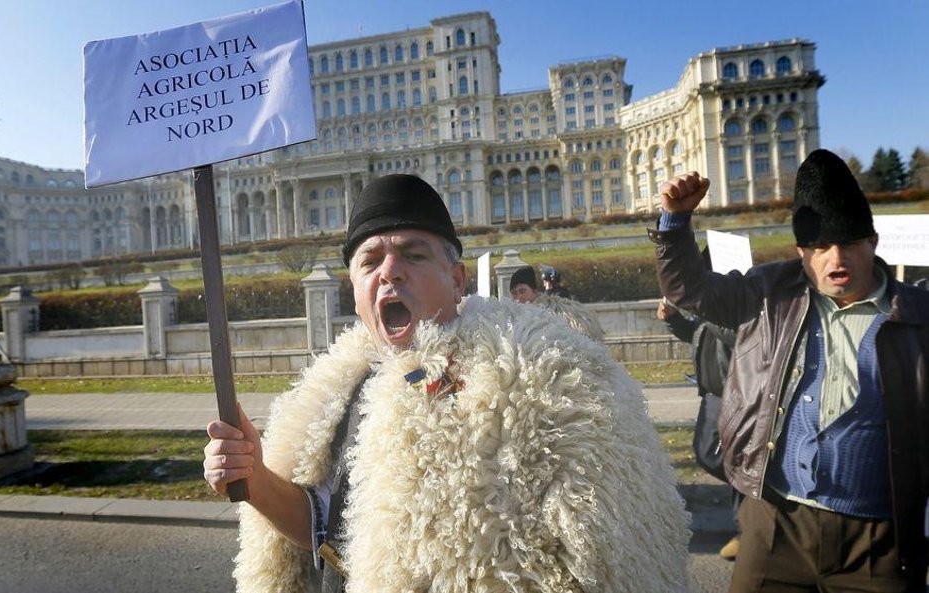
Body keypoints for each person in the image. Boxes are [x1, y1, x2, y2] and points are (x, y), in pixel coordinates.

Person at [205, 174, 690, 593]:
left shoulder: (549, 378)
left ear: (457, 279)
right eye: (370, 262)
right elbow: (327, 533)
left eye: (412, 255)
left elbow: (619, 555)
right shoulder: (341, 394)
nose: (390, 271)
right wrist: (257, 482)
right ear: (354, 292)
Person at [650, 149, 929, 592]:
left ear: (873, 243)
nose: (836, 259)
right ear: (801, 251)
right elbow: (692, 290)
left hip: (877, 543)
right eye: (820, 247)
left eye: (851, 244)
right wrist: (674, 223)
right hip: (775, 527)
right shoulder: (770, 292)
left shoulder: (918, 317)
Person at [657, 292, 742, 560]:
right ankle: (756, 511)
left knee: (737, 461)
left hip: (736, 395)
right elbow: (697, 333)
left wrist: (706, 310)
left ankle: (750, 528)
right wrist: (673, 319)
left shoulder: (736, 304)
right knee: (708, 454)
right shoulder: (709, 310)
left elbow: (736, 336)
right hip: (713, 395)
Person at [511, 265, 605, 341]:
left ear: (534, 290)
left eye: (522, 291)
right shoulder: (516, 317)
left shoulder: (551, 310)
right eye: (514, 293)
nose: (519, 297)